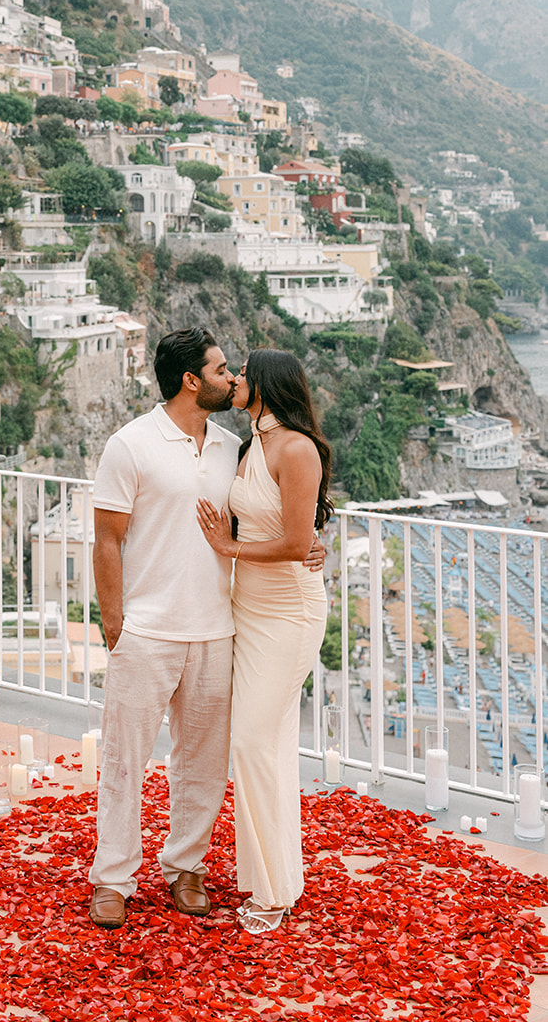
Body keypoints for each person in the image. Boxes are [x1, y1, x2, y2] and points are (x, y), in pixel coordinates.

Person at [87, 326, 241, 929]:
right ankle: (112, 878)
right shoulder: (130, 444)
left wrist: (306, 545)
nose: (232, 377)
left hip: (215, 628)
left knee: (203, 761)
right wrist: (115, 623)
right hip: (146, 630)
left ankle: (186, 866)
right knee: (124, 759)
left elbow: (261, 519)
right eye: (222, 369)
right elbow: (107, 539)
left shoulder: (231, 447)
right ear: (191, 380)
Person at [197, 348, 332, 934]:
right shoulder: (251, 445)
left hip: (288, 614)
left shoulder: (296, 449)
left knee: (252, 741)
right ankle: (276, 878)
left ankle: (274, 890)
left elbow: (298, 544)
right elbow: (271, 523)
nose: (235, 380)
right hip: (247, 609)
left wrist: (229, 549)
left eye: (245, 374)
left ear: (267, 385)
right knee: (268, 743)